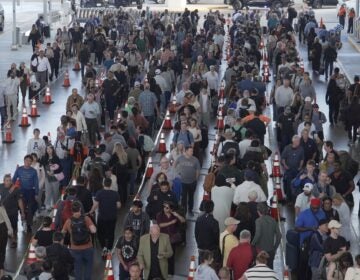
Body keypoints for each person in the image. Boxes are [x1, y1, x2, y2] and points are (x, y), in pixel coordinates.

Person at [61, 201, 96, 280]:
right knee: (88, 266)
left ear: (72, 210)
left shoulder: (69, 221)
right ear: (80, 209)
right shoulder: (86, 218)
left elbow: (62, 232)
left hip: (75, 248)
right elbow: (94, 230)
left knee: (77, 267)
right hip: (88, 247)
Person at [89, 177, 121, 258]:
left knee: (101, 232)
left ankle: (104, 247)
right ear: (110, 184)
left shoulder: (99, 193)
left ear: (103, 184)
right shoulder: (115, 193)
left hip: (102, 217)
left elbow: (95, 205)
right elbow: (118, 205)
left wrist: (91, 211)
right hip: (112, 217)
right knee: (111, 233)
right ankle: (109, 249)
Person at [156, 201, 186, 276]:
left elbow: (183, 221)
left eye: (167, 207)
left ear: (171, 209)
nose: (165, 209)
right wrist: (171, 222)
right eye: (164, 207)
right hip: (162, 239)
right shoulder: (160, 215)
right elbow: (160, 225)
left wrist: (177, 215)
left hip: (172, 239)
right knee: (161, 256)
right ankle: (161, 273)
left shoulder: (174, 215)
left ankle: (170, 273)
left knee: (171, 256)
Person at [12, 155, 39, 233]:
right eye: (26, 160)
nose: (28, 162)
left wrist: (36, 193)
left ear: (31, 162)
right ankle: (23, 222)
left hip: (30, 192)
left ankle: (29, 224)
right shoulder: (19, 170)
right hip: (21, 191)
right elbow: (14, 179)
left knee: (30, 208)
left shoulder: (33, 171)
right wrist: (11, 189)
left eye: (30, 161)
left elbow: (36, 183)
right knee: (22, 208)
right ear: (24, 161)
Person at [251, 203, 281, 269]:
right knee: (270, 268)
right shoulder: (273, 220)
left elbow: (258, 234)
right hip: (271, 250)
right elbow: (279, 235)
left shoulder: (258, 221)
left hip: (260, 251)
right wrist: (275, 247)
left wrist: (252, 244)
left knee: (260, 269)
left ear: (258, 211)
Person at [174, 146, 200, 215]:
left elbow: (197, 170)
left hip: (192, 182)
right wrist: (176, 174)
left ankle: (190, 210)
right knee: (183, 198)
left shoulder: (195, 160)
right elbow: (174, 165)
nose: (192, 152)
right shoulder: (180, 158)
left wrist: (196, 179)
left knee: (191, 197)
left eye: (192, 151)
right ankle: (183, 211)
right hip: (182, 182)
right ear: (186, 151)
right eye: (190, 151)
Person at [0, 174, 25, 248]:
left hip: (13, 212)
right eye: (6, 180)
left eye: (10, 180)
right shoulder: (1, 187)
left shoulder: (16, 189)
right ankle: (8, 236)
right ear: (3, 181)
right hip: (3, 212)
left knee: (14, 227)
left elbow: (19, 201)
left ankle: (14, 240)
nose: (8, 182)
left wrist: (22, 212)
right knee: (4, 227)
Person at [195, 200, 221, 268]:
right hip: (211, 249)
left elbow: (196, 233)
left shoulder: (199, 219)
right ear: (212, 209)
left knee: (200, 266)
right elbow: (216, 237)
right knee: (210, 267)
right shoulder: (214, 222)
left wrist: (199, 243)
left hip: (200, 247)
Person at [281, 135, 305, 202]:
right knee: (289, 184)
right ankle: (289, 199)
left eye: (299, 141)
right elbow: (283, 158)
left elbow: (302, 159)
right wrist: (285, 166)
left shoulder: (301, 149)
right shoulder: (287, 148)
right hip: (289, 170)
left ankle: (296, 198)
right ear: (293, 141)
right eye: (297, 141)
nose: (298, 142)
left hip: (297, 170)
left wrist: (300, 167)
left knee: (296, 184)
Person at [0, 200, 13, 279]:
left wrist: (10, 230)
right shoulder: (1, 207)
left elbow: (6, 219)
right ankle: (1, 270)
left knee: (1, 250)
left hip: (2, 229)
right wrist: (10, 230)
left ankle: (1, 270)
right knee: (2, 250)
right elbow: (6, 219)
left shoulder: (1, 207)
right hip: (2, 229)